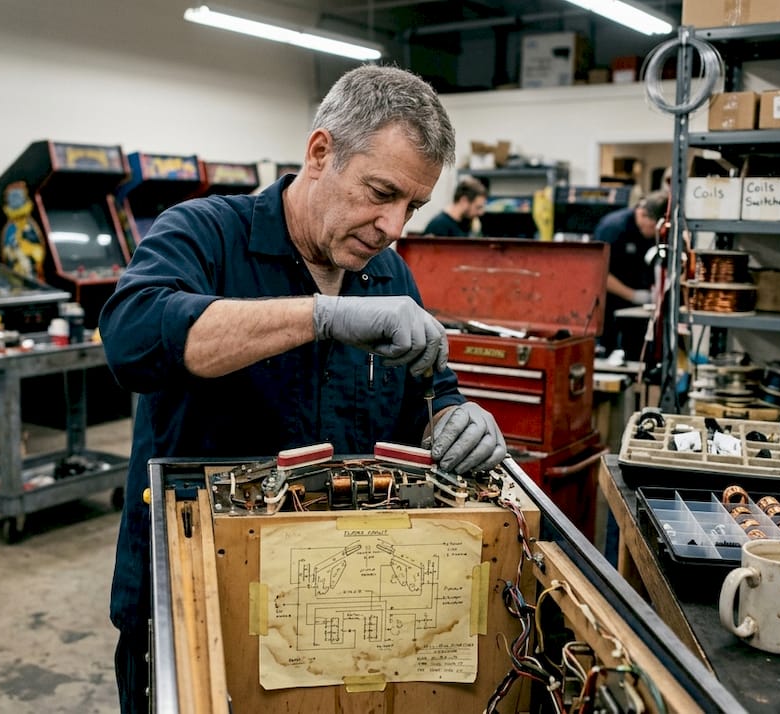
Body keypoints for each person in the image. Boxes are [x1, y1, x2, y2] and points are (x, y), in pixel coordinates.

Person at [100, 64, 509, 714]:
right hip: (198, 595)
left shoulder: (390, 275)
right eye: (381, 192)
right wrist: (319, 316)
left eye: (413, 205)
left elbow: (431, 399)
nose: (393, 225)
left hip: (341, 601)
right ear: (320, 153)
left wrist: (460, 421)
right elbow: (131, 338)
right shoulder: (206, 234)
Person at [593, 190, 668, 358]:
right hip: (609, 305)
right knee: (610, 351)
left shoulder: (649, 234)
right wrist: (633, 295)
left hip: (634, 308)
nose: (656, 233)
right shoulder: (613, 228)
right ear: (643, 215)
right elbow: (598, 272)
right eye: (654, 227)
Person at [422, 175, 487, 236]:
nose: (481, 212)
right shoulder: (438, 227)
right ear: (464, 201)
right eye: (478, 207)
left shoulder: (466, 223)